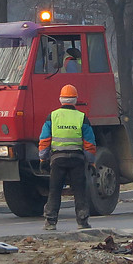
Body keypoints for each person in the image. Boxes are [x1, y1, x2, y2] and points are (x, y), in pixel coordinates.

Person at [38, 84, 97, 230]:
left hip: (57, 160)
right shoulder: (82, 117)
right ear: (75, 100)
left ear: (60, 99)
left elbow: (44, 140)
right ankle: (82, 221)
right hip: (77, 160)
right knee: (79, 191)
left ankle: (51, 222)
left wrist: (43, 159)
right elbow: (89, 143)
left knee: (55, 190)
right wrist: (91, 162)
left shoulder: (52, 116)